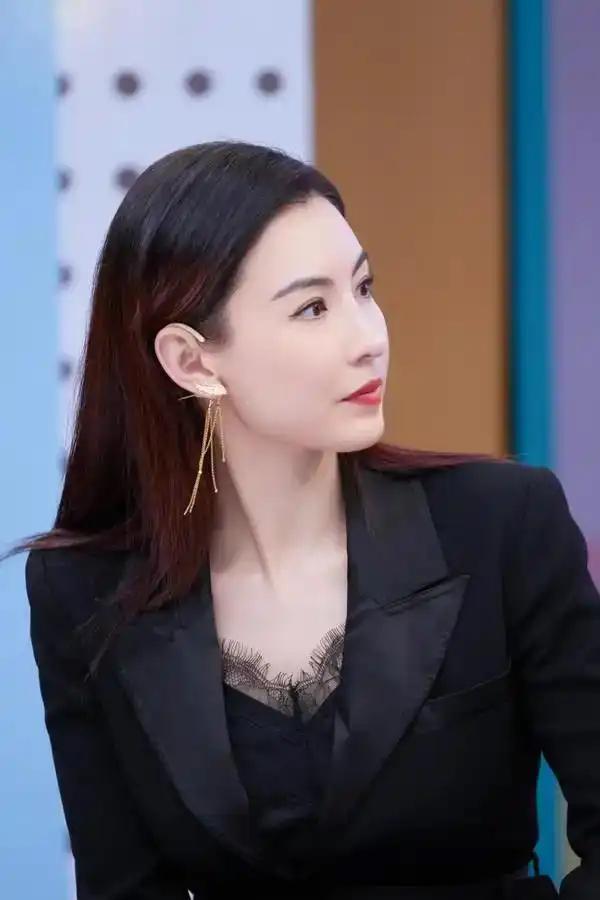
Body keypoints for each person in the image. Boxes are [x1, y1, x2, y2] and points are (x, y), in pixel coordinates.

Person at [6, 141, 599, 899]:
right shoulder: (82, 590)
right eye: (313, 308)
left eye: (364, 289)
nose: (370, 337)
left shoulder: (501, 522)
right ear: (193, 361)